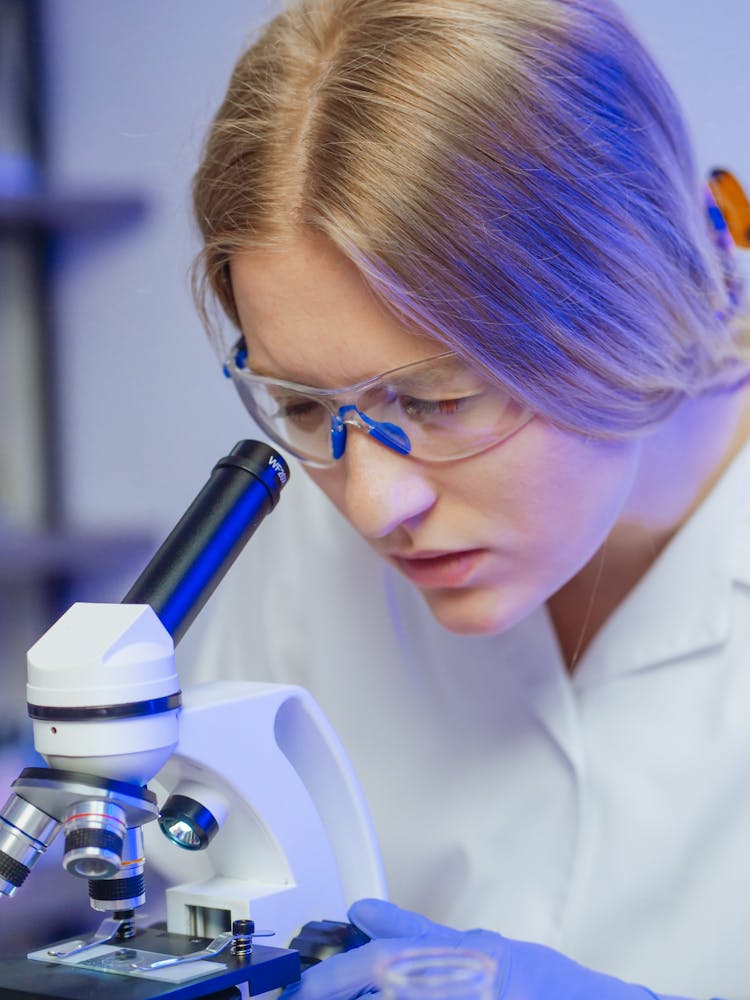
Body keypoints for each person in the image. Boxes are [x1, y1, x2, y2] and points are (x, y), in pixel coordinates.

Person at [186, 0, 750, 995]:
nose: (370, 504)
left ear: (622, 299)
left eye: (441, 398)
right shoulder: (306, 553)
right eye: (304, 407)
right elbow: (200, 913)